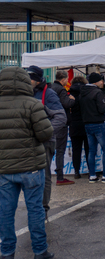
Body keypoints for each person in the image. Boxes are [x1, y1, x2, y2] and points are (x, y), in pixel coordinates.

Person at [0, 66, 56, 259]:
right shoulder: (32, 104)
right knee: (35, 209)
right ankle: (40, 252)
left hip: (4, 169)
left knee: (5, 211)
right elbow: (45, 134)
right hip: (31, 166)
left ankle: (6, 254)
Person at [27, 65, 67, 216]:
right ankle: (34, 207)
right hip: (28, 142)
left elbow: (61, 117)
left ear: (37, 80)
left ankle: (43, 207)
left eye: (30, 78)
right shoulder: (26, 93)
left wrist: (44, 132)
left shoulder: (48, 94)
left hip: (45, 141)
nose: (27, 80)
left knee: (43, 175)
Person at [79, 72, 105, 183]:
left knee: (91, 150)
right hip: (98, 123)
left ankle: (92, 175)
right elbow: (102, 109)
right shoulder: (98, 92)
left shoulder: (82, 92)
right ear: (96, 82)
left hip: (87, 124)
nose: (102, 82)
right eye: (101, 80)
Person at [51, 70, 76, 186]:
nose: (68, 81)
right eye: (67, 79)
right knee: (60, 151)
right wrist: (72, 99)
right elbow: (67, 104)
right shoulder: (61, 89)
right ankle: (60, 177)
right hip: (61, 123)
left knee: (50, 150)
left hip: (51, 122)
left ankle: (47, 174)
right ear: (63, 79)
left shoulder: (50, 87)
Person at [69, 76, 90, 179]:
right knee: (88, 149)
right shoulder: (87, 93)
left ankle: (77, 172)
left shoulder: (70, 94)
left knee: (76, 150)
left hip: (74, 125)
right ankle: (91, 171)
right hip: (86, 123)